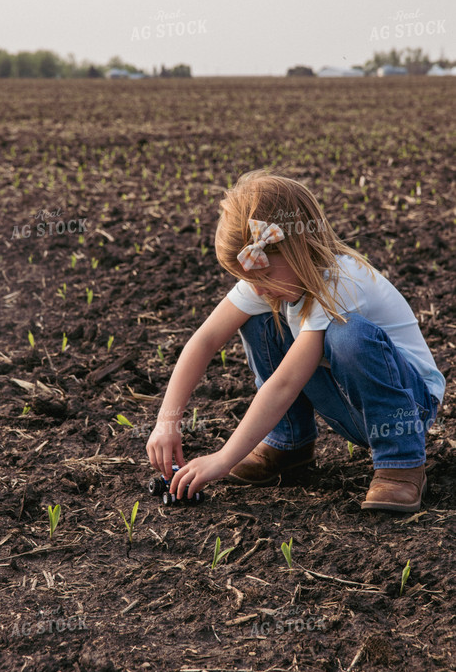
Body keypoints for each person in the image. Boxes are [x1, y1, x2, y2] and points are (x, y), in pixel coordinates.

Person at [146, 169, 445, 513]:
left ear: (297, 249)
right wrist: (166, 422)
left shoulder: (341, 282)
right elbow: (204, 341)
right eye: (248, 278)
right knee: (259, 317)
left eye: (263, 275)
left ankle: (401, 461)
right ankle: (287, 444)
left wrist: (224, 459)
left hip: (408, 407)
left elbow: (286, 381)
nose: (256, 287)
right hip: (352, 405)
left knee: (347, 334)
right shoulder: (276, 278)